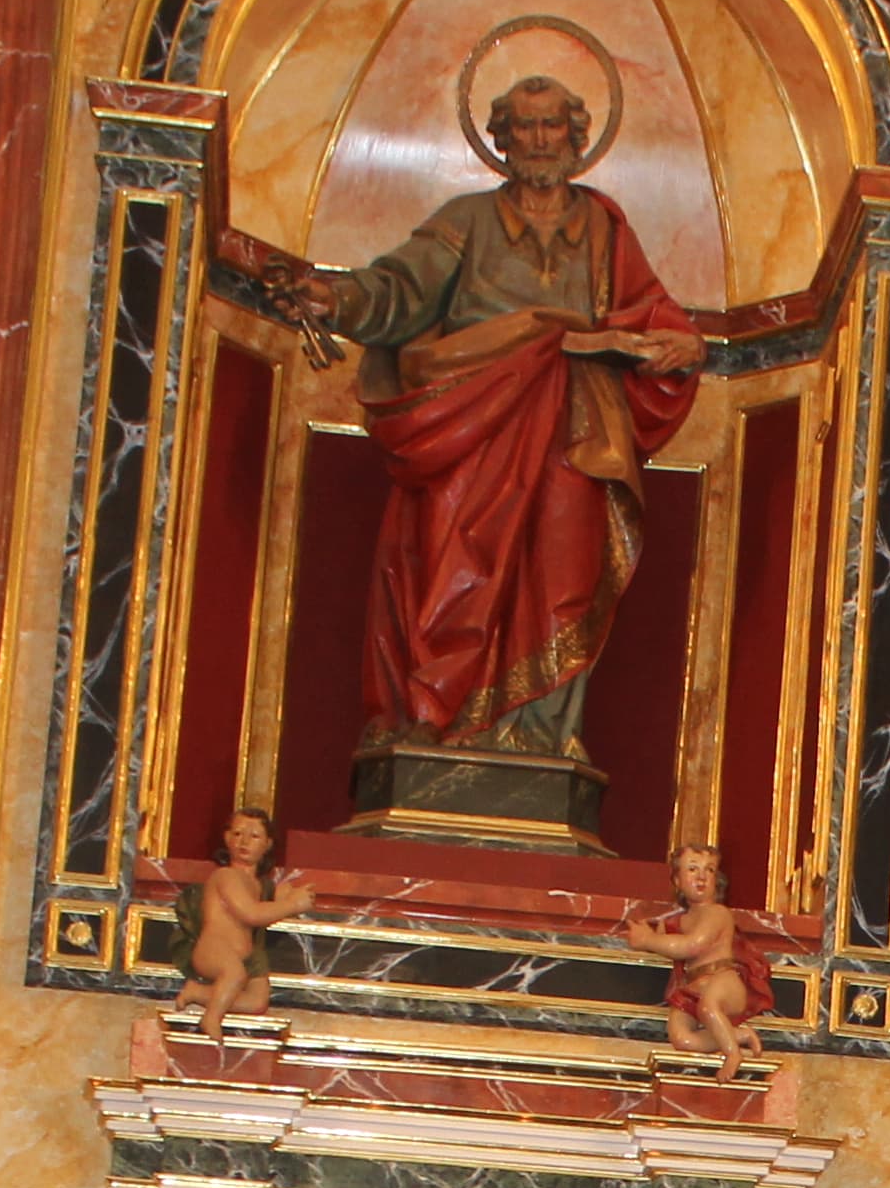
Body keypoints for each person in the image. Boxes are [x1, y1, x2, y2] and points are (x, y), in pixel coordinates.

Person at [291, 74, 703, 772]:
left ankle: (538, 736)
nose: (539, 141)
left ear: (576, 138)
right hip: (472, 423)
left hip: (569, 428)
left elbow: (650, 311)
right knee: (451, 566)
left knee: (563, 574)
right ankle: (436, 716)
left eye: (552, 126)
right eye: (524, 127)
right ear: (502, 141)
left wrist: (684, 345)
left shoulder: (603, 231)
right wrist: (339, 299)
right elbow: (400, 289)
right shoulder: (468, 221)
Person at [622, 842, 769, 1076]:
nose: (701, 876)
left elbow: (692, 945)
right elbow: (672, 946)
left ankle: (732, 1054)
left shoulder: (717, 913)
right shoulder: (680, 921)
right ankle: (738, 1035)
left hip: (722, 980)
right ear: (677, 880)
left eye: (709, 870)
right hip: (693, 987)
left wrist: (648, 940)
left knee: (709, 1008)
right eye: (692, 869)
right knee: (682, 1038)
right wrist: (655, 939)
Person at [175, 808, 312, 1023]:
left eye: (254, 836)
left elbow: (270, 906)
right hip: (216, 949)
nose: (244, 842)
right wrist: (292, 905)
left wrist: (285, 895)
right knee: (234, 974)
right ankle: (211, 1019)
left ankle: (198, 993)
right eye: (237, 833)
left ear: (267, 843)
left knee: (256, 1002)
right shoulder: (226, 876)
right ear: (227, 838)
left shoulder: (261, 885)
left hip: (247, 955)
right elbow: (251, 913)